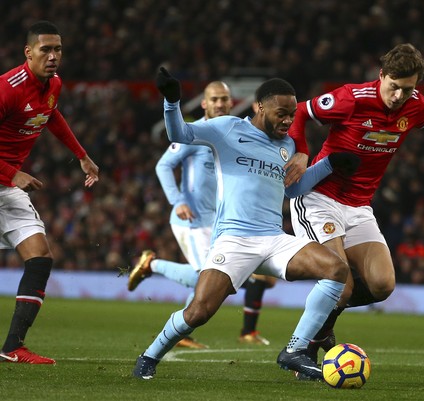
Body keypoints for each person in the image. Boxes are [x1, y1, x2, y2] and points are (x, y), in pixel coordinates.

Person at [132, 69, 359, 381]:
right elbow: (179, 135)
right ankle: (149, 356)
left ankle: (295, 349)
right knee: (198, 312)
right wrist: (172, 101)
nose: (288, 121)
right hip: (234, 240)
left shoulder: (287, 147)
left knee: (336, 270)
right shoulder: (227, 128)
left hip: (274, 239)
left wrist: (329, 165)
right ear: (260, 107)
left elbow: (292, 189)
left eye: (292, 115)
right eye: (282, 114)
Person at [284, 43, 424, 362]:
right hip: (319, 199)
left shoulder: (414, 105)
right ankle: (300, 348)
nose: (398, 96)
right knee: (338, 283)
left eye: (407, 89)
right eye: (393, 86)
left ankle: (324, 323)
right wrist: (301, 150)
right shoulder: (351, 98)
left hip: (359, 207)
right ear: (381, 75)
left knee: (383, 284)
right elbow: (301, 110)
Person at [128, 81, 276, 347]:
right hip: (191, 218)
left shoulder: (234, 132)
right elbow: (164, 166)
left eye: (224, 99)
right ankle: (151, 264)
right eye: (214, 99)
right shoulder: (196, 133)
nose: (220, 104)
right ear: (205, 104)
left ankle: (184, 333)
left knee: (214, 275)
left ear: (231, 103)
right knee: (203, 275)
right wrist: (178, 201)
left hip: (218, 220)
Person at [0, 21, 99, 364]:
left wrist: (82, 156)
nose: (54, 56)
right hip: (8, 178)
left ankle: (12, 347)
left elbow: (51, 115)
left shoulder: (53, 84)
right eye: (46, 49)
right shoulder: (6, 89)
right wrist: (14, 173)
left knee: (40, 258)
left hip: (7, 186)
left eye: (58, 49)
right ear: (28, 52)